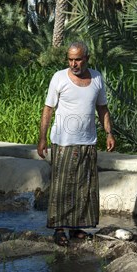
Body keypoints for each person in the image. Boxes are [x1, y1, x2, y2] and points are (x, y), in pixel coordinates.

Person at [37, 41, 116, 246]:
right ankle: (59, 229)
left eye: (78, 59)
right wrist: (42, 138)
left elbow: (102, 108)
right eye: (70, 59)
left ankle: (77, 227)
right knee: (62, 187)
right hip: (63, 142)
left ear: (86, 58)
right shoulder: (59, 78)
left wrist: (109, 133)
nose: (74, 64)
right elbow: (48, 109)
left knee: (84, 186)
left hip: (88, 141)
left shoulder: (97, 78)